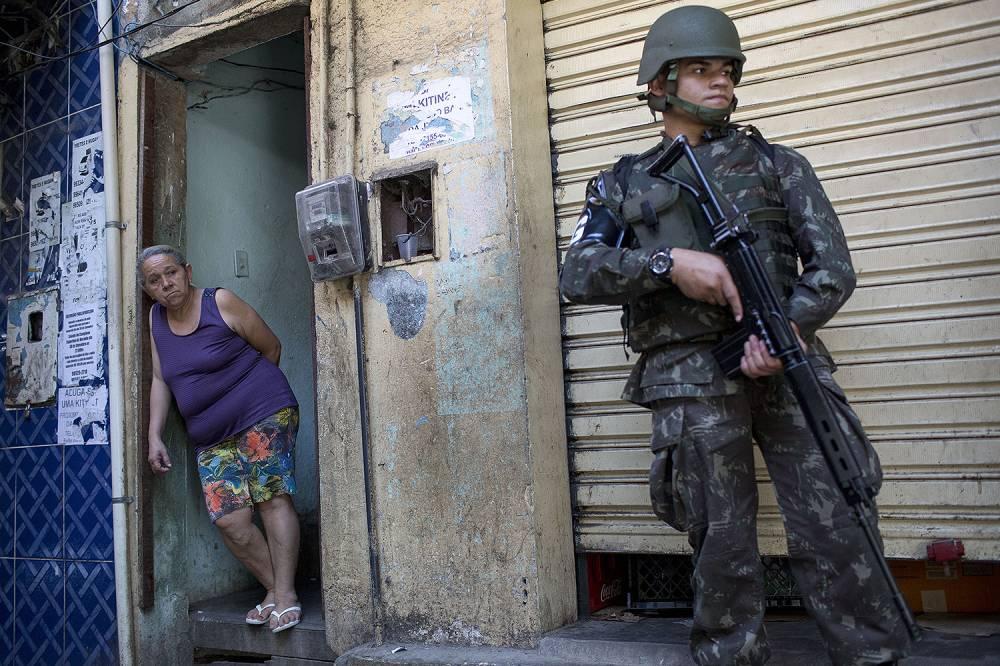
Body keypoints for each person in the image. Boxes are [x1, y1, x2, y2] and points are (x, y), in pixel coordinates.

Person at [560, 6, 914, 665]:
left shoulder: (779, 164)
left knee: (837, 521)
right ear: (659, 84)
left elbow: (833, 269)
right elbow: (576, 273)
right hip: (689, 376)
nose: (720, 81)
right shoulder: (621, 182)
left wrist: (787, 329)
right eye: (701, 70)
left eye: (727, 70)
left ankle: (871, 654)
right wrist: (667, 265)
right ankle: (730, 654)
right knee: (720, 539)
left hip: (787, 365)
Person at [139, 244, 303, 633]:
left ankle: (285, 597)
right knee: (229, 519)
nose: (165, 284)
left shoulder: (220, 302)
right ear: (147, 289)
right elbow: (162, 378)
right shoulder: (155, 320)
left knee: (270, 500)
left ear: (187, 271)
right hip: (211, 437)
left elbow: (271, 346)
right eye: (154, 280)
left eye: (171, 274)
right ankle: (276, 590)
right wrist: (153, 435)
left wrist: (246, 399)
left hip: (262, 412)